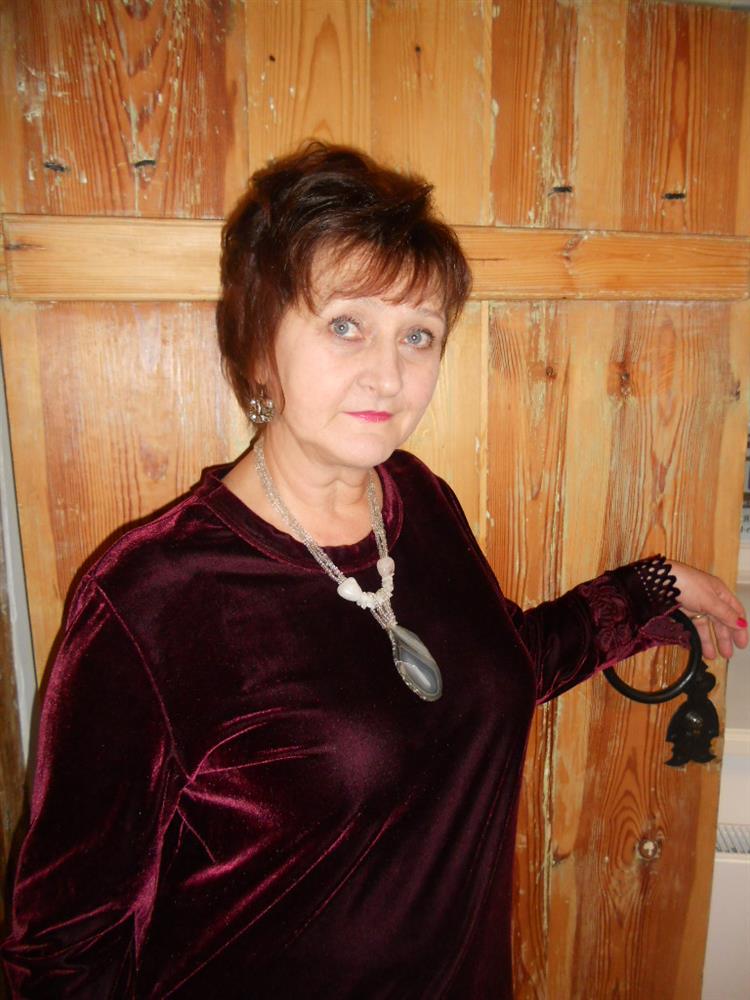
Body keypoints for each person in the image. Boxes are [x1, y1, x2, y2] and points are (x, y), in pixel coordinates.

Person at [2, 142, 747, 999]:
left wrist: (651, 591)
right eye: (345, 325)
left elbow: (493, 669)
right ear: (258, 343)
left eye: (417, 335)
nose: (388, 375)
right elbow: (61, 949)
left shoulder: (418, 501)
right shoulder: (151, 597)